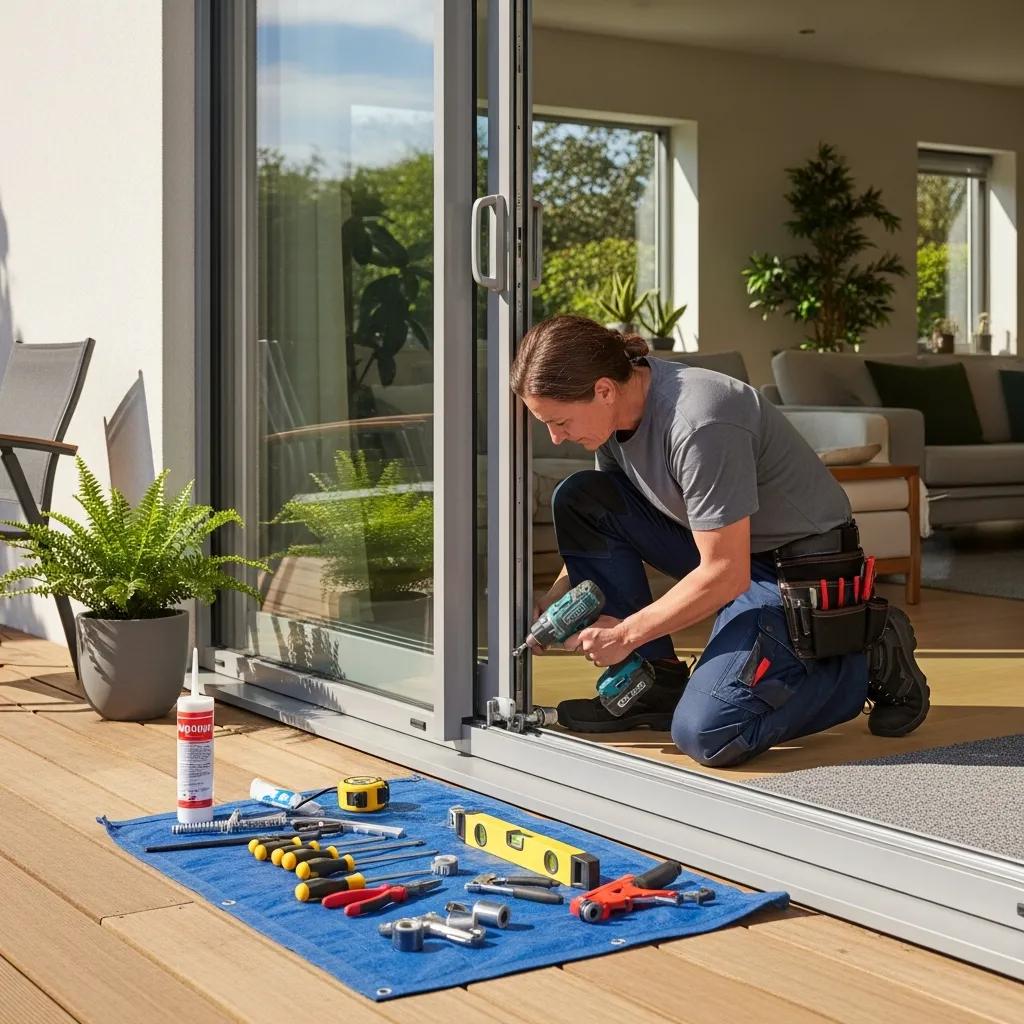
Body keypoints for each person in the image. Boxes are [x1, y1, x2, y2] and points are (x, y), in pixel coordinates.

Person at [511, 314, 929, 768]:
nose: (556, 437)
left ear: (604, 390)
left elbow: (727, 573)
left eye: (559, 421)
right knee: (582, 497)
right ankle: (656, 684)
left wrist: (626, 634)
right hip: (726, 548)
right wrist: (554, 598)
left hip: (795, 569)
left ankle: (863, 658)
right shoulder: (613, 421)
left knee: (707, 733)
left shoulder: (699, 421)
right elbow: (610, 517)